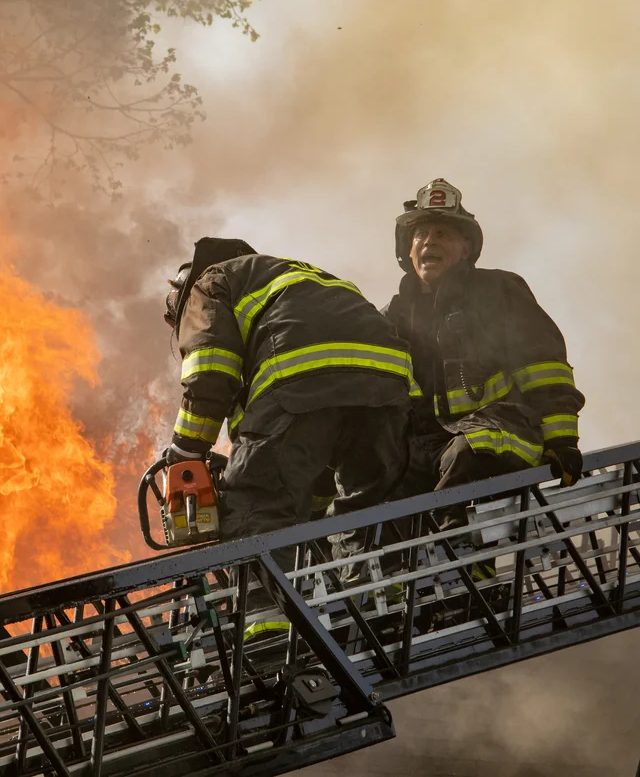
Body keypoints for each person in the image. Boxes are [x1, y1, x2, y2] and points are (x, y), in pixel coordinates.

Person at [162, 237, 413, 579]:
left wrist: (186, 451)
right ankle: (380, 593)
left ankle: (264, 620)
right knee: (366, 500)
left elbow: (210, 374)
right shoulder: (297, 276)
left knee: (256, 502)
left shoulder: (208, 284)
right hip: (387, 379)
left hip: (302, 377)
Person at [385, 179, 586, 542]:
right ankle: (401, 582)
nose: (429, 241)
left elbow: (544, 365)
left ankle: (462, 564)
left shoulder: (499, 292)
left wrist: (562, 442)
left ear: (465, 249)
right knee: (378, 474)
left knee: (466, 451)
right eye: (421, 234)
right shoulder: (393, 316)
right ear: (408, 248)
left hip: (501, 431)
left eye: (443, 233)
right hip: (428, 446)